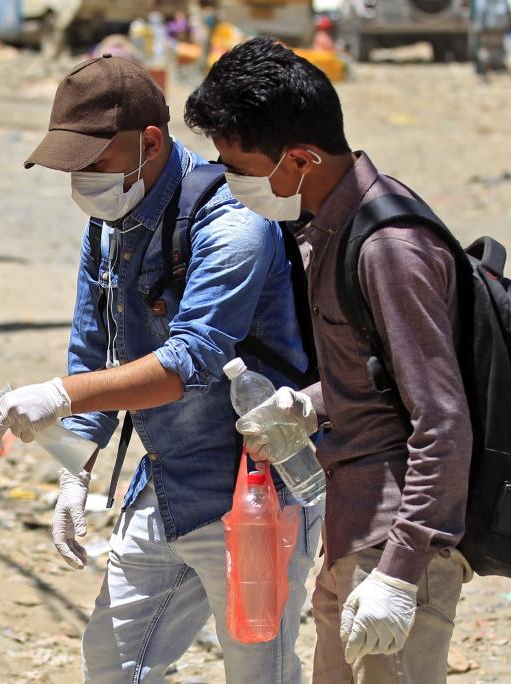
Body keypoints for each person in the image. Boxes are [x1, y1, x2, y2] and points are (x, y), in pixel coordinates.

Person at [0, 54, 320, 683]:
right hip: (166, 486)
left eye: (95, 161)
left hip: (251, 492)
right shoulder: (110, 221)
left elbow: (188, 360)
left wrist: (60, 395)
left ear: (151, 142)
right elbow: (93, 344)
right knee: (113, 663)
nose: (83, 179)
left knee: (259, 670)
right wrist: (73, 470)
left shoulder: (232, 220)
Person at [184, 37, 473, 683]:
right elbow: (380, 378)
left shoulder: (386, 248)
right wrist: (307, 405)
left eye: (242, 168)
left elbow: (443, 420)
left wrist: (399, 576)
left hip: (395, 541)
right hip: (353, 529)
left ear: (302, 158)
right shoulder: (328, 229)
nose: (233, 186)